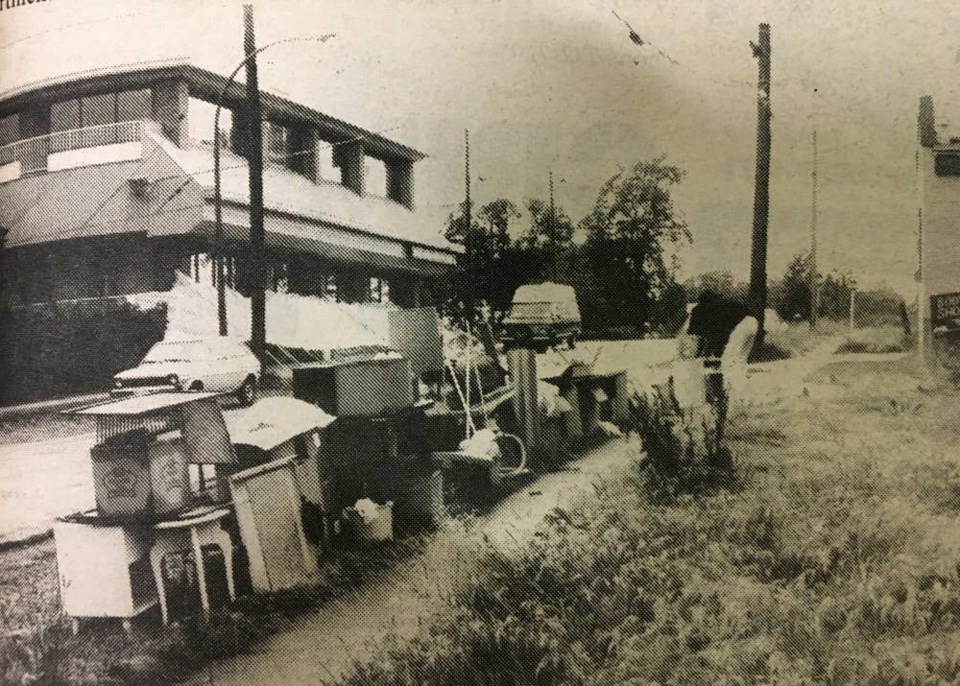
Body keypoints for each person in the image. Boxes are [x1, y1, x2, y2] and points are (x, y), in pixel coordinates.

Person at [684, 290, 751, 443]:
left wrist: (705, 355)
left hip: (739, 328)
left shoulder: (708, 310)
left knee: (719, 363)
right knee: (724, 362)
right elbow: (702, 336)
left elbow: (707, 337)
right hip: (746, 325)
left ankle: (720, 400)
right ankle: (721, 399)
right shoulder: (715, 310)